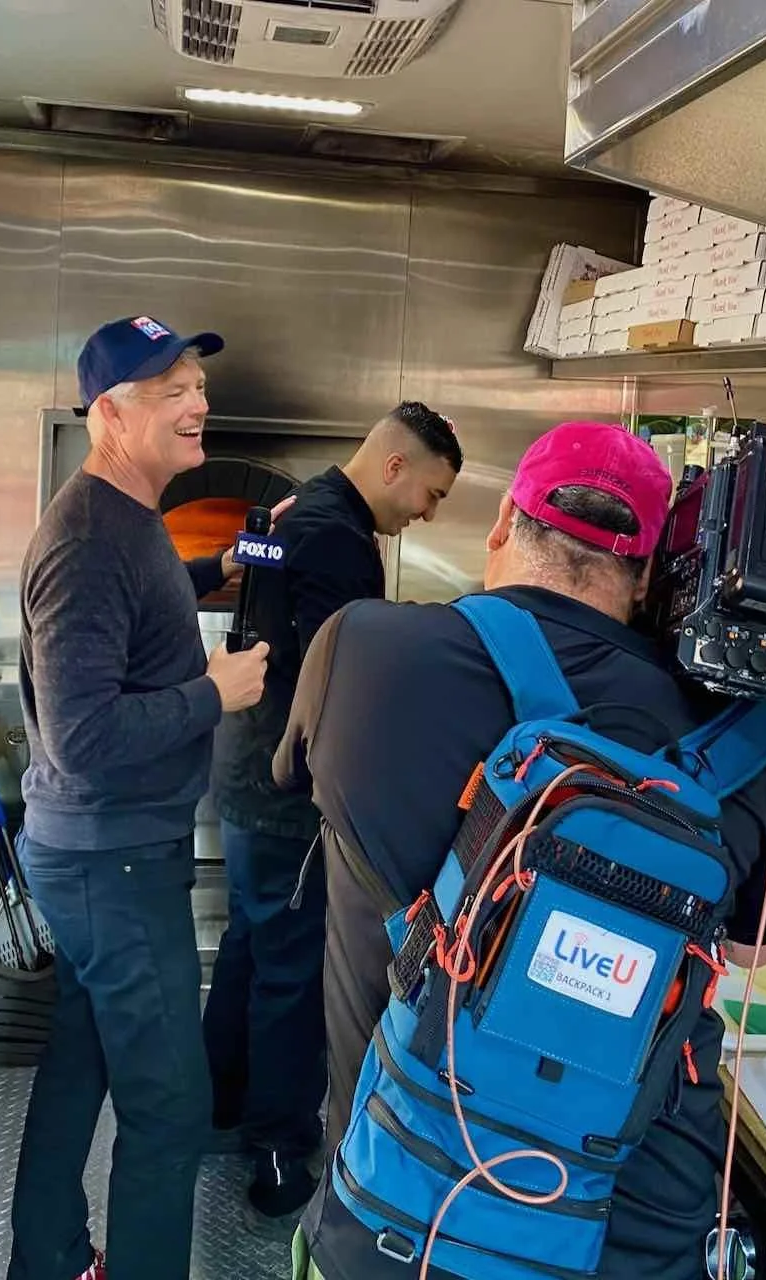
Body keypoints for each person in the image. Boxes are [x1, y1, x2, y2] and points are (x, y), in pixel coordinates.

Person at [272, 421, 766, 1280]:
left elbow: (293, 776)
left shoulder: (362, 648)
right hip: (624, 1227)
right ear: (647, 578)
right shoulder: (744, 735)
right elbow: (754, 948)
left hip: (403, 1197)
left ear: (501, 528)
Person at [8, 313, 282, 1280]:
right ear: (111, 416)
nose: (198, 402)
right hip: (111, 862)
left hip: (106, 856)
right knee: (169, 1108)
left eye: (197, 386)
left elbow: (140, 609)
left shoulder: (128, 518)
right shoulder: (86, 540)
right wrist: (215, 692)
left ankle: (47, 1259)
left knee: (81, 1063)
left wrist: (221, 567)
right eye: (172, 392)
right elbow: (83, 739)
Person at [203, 401, 464, 1235]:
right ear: (394, 466)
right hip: (283, 786)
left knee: (251, 945)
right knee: (288, 970)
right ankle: (278, 1150)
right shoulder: (338, 541)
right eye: (431, 493)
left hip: (246, 769)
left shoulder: (303, 512)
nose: (428, 513)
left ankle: (218, 1102)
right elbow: (340, 679)